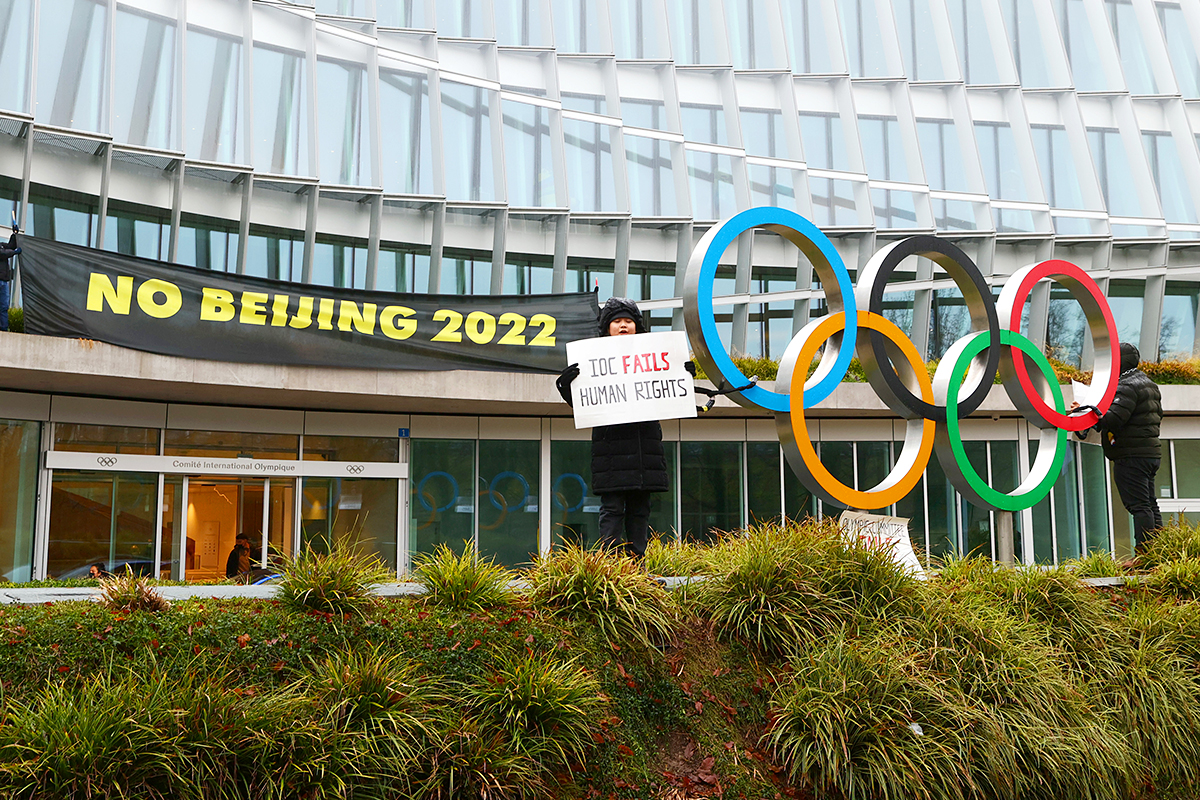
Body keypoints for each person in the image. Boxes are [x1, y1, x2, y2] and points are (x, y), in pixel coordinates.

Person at [556, 297, 681, 559]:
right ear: (607, 327)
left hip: (643, 449)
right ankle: (610, 568)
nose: (623, 326)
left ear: (637, 327)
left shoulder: (653, 358)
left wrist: (682, 374)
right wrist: (567, 386)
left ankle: (637, 569)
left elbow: (669, 394)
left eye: (628, 321)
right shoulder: (591, 360)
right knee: (612, 510)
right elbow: (584, 402)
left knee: (640, 511)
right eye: (617, 321)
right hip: (610, 451)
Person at [1075, 342, 1163, 552]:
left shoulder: (1125, 385)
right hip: (1150, 453)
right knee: (1150, 504)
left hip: (1130, 455)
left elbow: (1113, 420)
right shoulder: (1149, 384)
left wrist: (1083, 411)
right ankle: (1160, 553)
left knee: (1138, 506)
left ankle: (1145, 555)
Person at [0, 224, 21, 332]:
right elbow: (3, 254)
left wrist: (14, 234)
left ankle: (3, 328)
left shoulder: (1, 245)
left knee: (3, 306)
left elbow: (10, 246)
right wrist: (14, 252)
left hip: (3, 281)